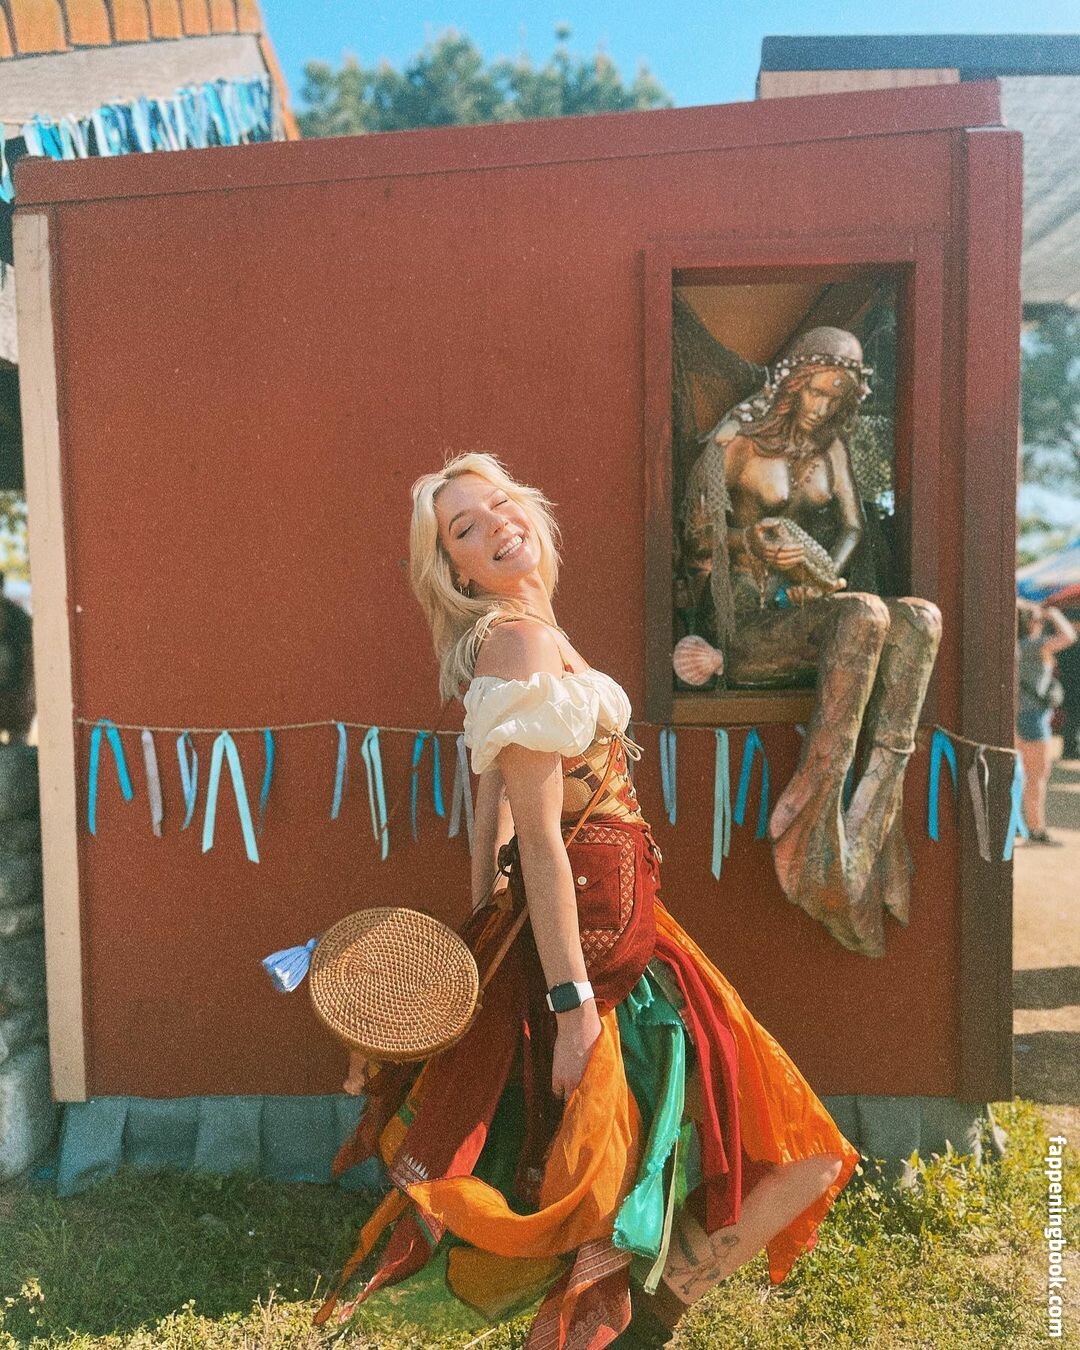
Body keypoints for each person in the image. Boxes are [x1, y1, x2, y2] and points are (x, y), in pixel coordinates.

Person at [319, 453, 860, 1348]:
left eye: (500, 503)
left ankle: (637, 1320)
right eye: (465, 528)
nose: (497, 524)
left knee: (752, 1151)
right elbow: (534, 838)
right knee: (764, 1152)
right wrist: (570, 1008)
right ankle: (617, 1323)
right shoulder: (518, 643)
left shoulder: (535, 634)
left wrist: (494, 939)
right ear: (457, 572)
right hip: (596, 952)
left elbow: (488, 822)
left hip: (629, 927)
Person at [1016, 600, 1078, 845]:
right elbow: (1069, 636)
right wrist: (1053, 614)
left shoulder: (1016, 646)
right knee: (1037, 776)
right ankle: (1036, 827)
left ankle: (1017, 823)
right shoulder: (1035, 646)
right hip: (1034, 718)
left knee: (1018, 774)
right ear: (1031, 623)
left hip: (1018, 715)